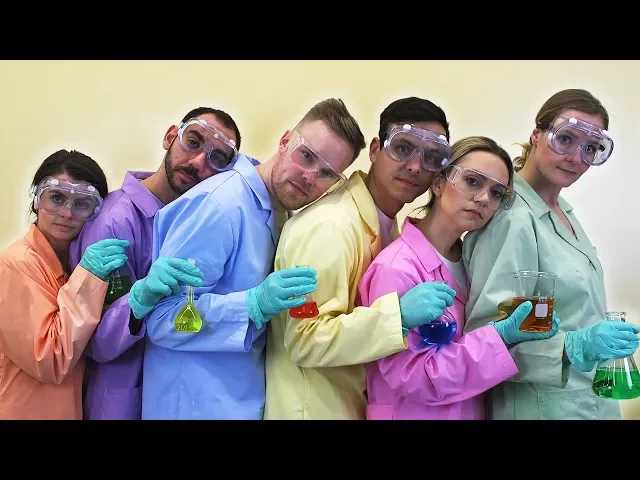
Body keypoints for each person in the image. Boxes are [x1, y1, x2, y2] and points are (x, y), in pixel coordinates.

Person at [141, 97, 366, 420]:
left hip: (239, 402)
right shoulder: (220, 204)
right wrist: (251, 305)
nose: (309, 177)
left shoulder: (280, 212)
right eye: (306, 155)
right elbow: (163, 319)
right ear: (285, 140)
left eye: (327, 173)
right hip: (192, 405)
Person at [264, 96, 467, 420]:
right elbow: (305, 340)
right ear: (375, 149)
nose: (415, 166)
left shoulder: (384, 224)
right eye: (403, 148)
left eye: (432, 157)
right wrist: (398, 316)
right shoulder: (331, 225)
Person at [463, 88, 640, 420]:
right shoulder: (511, 219)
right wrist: (573, 347)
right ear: (536, 134)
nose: (576, 157)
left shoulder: (563, 212)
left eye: (591, 148)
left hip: (588, 401)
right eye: (566, 139)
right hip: (541, 408)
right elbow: (486, 340)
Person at [358, 136, 560, 420]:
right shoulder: (395, 268)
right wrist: (498, 337)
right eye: (473, 181)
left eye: (497, 193)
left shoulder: (468, 263)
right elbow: (414, 376)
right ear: (439, 184)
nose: (484, 199)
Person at [68, 107, 242, 421]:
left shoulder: (195, 221)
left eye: (217, 158)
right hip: (121, 399)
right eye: (193, 142)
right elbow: (91, 340)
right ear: (170, 136)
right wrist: (137, 302)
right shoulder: (114, 222)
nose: (198, 162)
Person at [0, 149, 129, 420]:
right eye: (56, 198)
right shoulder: (16, 265)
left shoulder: (73, 265)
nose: (67, 213)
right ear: (37, 200)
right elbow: (50, 359)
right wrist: (89, 277)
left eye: (82, 203)